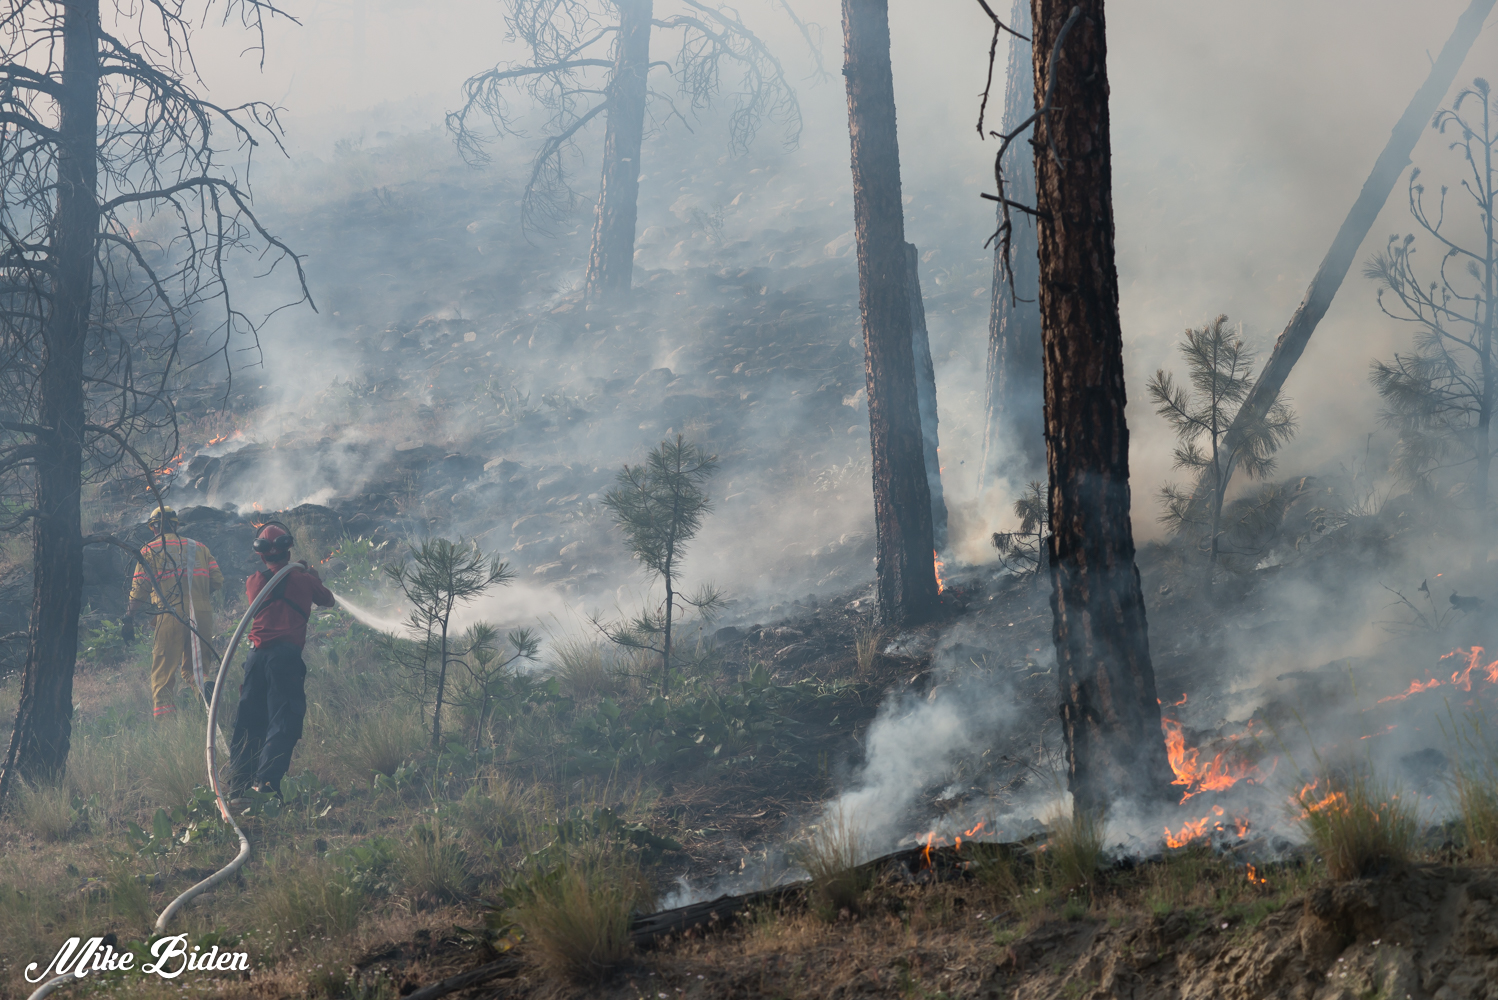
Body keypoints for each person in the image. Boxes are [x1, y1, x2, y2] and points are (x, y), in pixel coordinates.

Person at [228, 523, 335, 800]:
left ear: (261, 554)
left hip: (255, 659)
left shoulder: (254, 581)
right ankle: (266, 786)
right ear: (288, 549)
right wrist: (312, 575)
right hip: (284, 659)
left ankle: (239, 786)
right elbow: (328, 600)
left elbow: (275, 585)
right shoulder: (304, 580)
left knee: (249, 721)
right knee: (284, 720)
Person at [124, 505, 223, 720]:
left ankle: (166, 723)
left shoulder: (149, 551)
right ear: (176, 526)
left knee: (163, 673)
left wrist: (128, 618)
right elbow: (217, 581)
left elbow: (139, 590)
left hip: (170, 614)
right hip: (202, 614)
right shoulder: (200, 548)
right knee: (196, 670)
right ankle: (208, 697)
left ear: (153, 528)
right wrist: (198, 595)